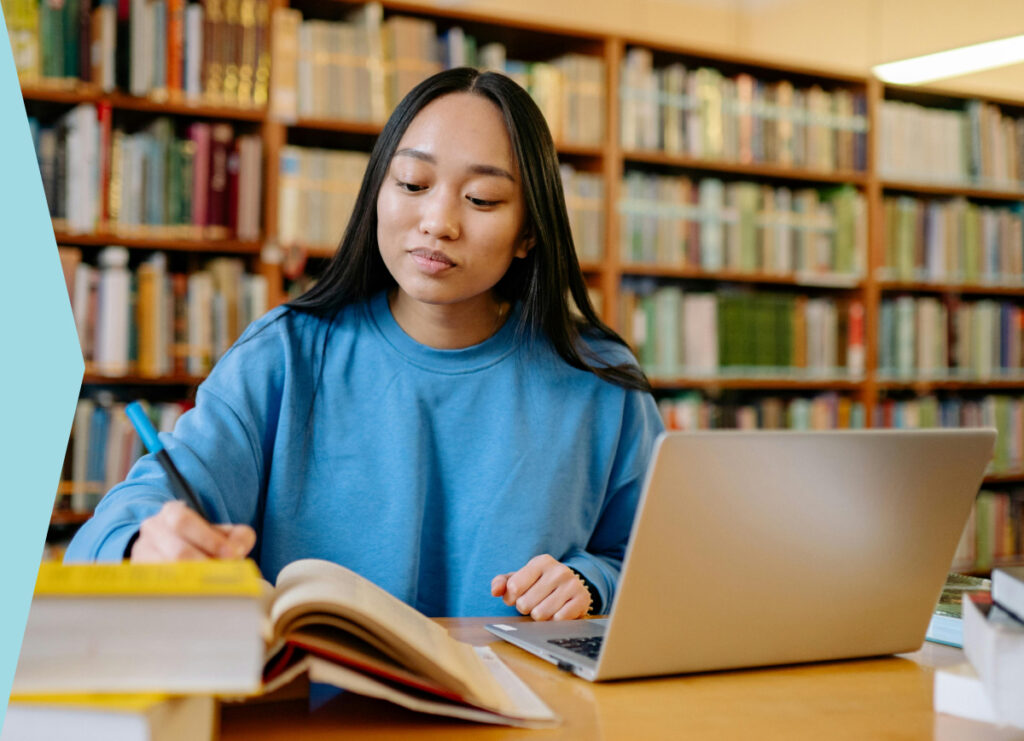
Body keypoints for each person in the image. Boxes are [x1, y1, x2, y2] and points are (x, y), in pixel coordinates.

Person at [65, 67, 664, 621]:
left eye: (481, 199)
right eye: (411, 183)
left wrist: (590, 584)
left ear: (530, 231)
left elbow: (663, 563)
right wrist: (145, 542)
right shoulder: (286, 355)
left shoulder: (598, 379)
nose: (438, 221)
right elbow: (123, 520)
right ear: (377, 190)